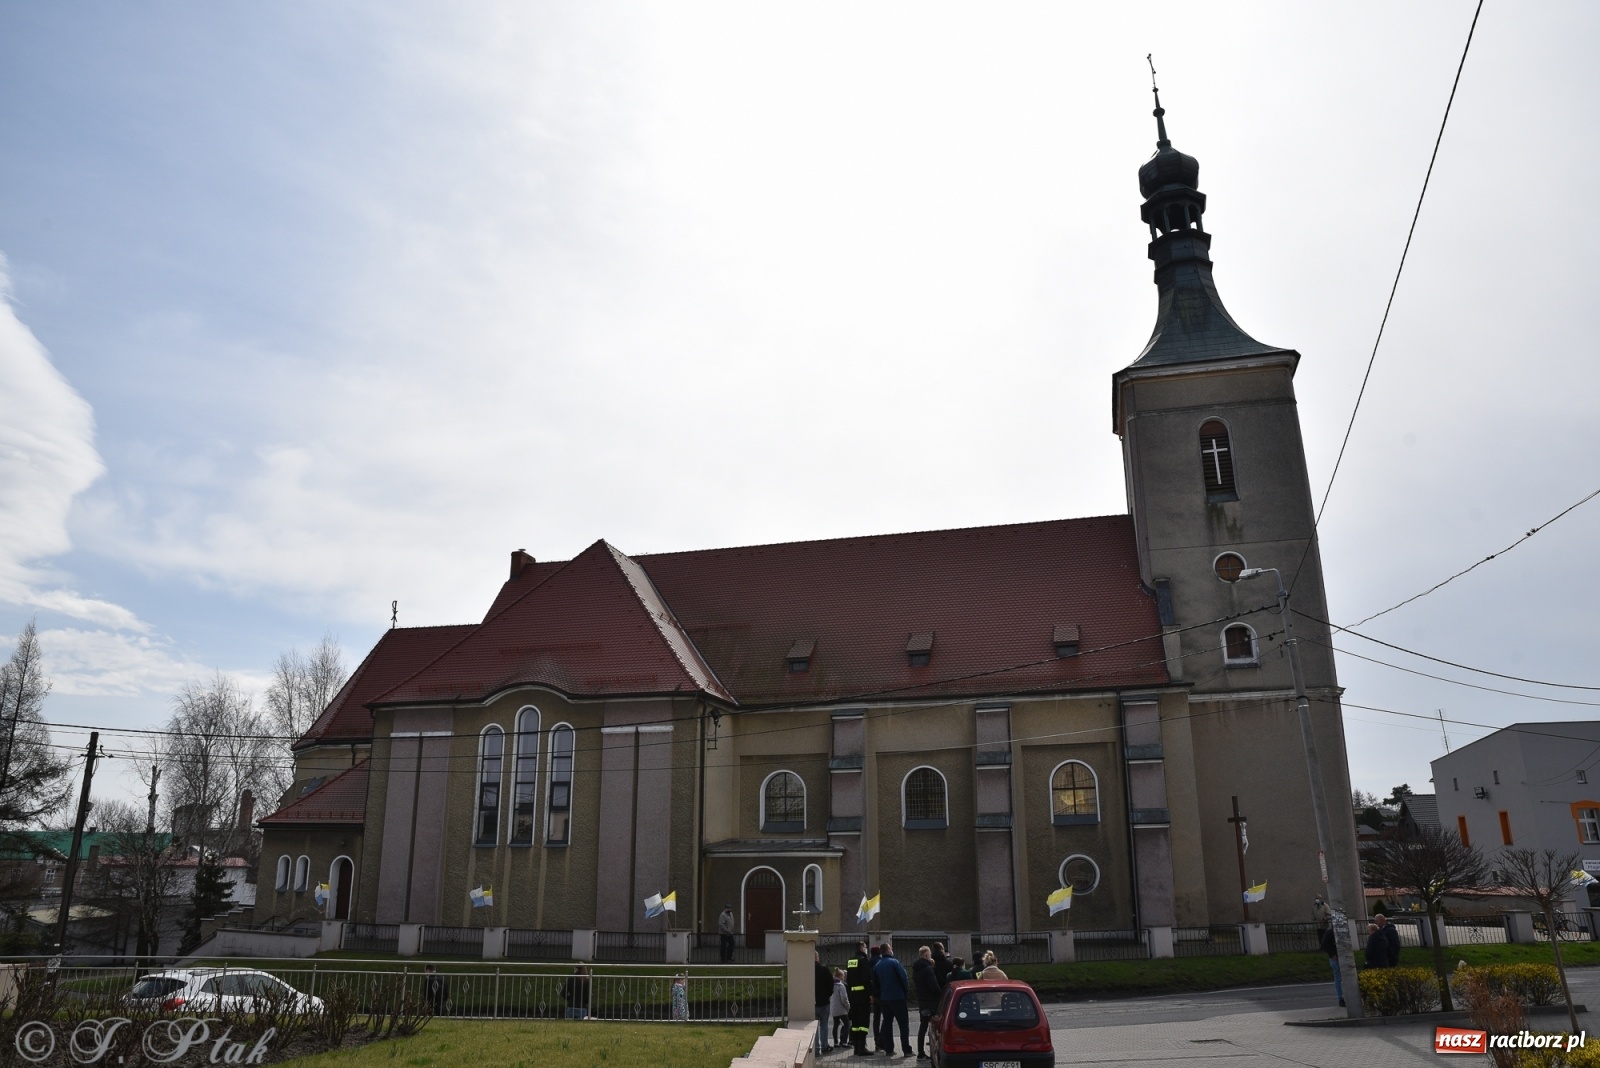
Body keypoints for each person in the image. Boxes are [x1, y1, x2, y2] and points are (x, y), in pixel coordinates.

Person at [872, 942, 912, 1058]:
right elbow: (904, 979)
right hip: (898, 997)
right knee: (903, 1025)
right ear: (889, 950)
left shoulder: (877, 965)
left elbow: (876, 984)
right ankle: (906, 1050)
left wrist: (880, 996)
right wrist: (905, 993)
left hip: (885, 999)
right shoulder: (895, 963)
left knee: (887, 1025)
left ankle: (889, 1049)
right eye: (891, 948)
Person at [911, 946, 941, 1061]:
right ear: (927, 956)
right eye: (929, 955)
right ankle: (933, 1051)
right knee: (933, 1027)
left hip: (922, 1000)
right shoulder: (928, 969)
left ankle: (920, 1053)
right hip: (931, 1001)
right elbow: (933, 985)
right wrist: (940, 994)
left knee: (922, 1027)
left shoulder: (916, 968)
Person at [845, 942, 873, 1056]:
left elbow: (849, 979)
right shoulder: (863, 960)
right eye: (866, 947)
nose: (867, 950)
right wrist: (871, 994)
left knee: (855, 1023)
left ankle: (856, 1047)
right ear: (862, 948)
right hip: (863, 996)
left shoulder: (851, 961)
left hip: (853, 996)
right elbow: (867, 979)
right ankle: (862, 1048)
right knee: (863, 1023)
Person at [1318, 922, 1344, 1007]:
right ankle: (1340, 998)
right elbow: (1324, 944)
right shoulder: (1330, 932)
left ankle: (1341, 997)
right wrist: (1332, 954)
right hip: (1335, 957)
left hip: (1338, 956)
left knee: (1339, 977)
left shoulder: (1334, 931)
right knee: (1338, 977)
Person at [814, 950, 835, 1055]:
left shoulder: (807, 970)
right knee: (824, 1024)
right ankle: (825, 1046)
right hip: (824, 1002)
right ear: (817, 957)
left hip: (812, 1003)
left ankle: (816, 1049)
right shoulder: (824, 969)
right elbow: (831, 984)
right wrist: (828, 995)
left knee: (814, 1026)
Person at [867, 943, 884, 1052]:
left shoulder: (868, 963)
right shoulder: (880, 962)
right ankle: (881, 1042)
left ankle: (876, 1040)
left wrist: (871, 994)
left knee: (876, 1019)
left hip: (873, 994)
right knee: (886, 1017)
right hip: (881, 994)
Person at [830, 968, 851, 1050]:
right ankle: (844, 1042)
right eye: (843, 975)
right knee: (847, 1024)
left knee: (835, 1025)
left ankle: (835, 1042)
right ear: (840, 976)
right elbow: (844, 998)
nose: (844, 977)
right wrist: (848, 1006)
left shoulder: (831, 985)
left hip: (834, 1008)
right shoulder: (841, 985)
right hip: (841, 1009)